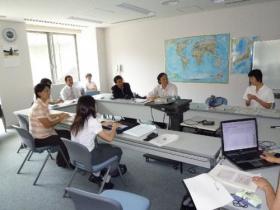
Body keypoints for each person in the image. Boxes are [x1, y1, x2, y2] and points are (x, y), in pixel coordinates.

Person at [70, 95, 127, 189]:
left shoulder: (77, 119)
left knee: (106, 147)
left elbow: (89, 127)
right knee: (117, 150)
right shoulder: (92, 121)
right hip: (90, 157)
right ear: (91, 106)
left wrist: (101, 124)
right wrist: (114, 127)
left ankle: (96, 176)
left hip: (78, 156)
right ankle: (106, 180)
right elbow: (109, 138)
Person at [29, 83, 72, 168]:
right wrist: (61, 118)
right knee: (65, 139)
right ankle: (62, 162)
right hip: (40, 138)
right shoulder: (38, 107)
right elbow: (48, 124)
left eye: (49, 91)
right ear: (39, 93)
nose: (49, 93)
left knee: (67, 133)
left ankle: (64, 158)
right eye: (46, 91)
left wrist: (59, 114)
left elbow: (46, 116)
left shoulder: (41, 103)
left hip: (44, 134)